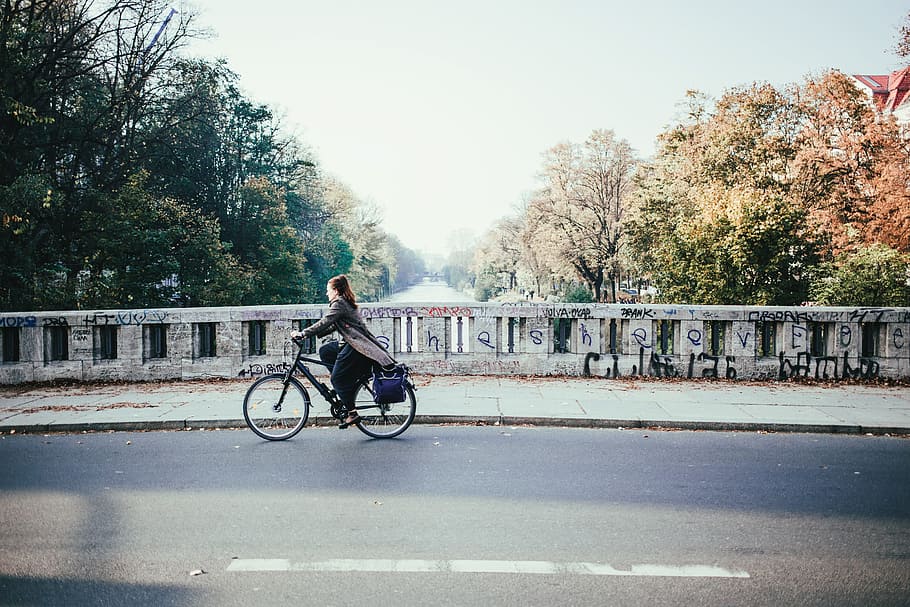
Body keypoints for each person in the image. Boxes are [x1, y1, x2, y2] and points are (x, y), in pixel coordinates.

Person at [291, 274, 395, 428]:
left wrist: (304, 333)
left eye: (328, 290)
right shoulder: (343, 302)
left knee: (336, 379)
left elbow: (326, 321)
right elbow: (333, 324)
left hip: (356, 346)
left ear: (336, 290)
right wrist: (316, 334)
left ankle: (352, 413)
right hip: (351, 343)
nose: (327, 293)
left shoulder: (339, 303)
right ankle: (346, 384)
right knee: (326, 351)